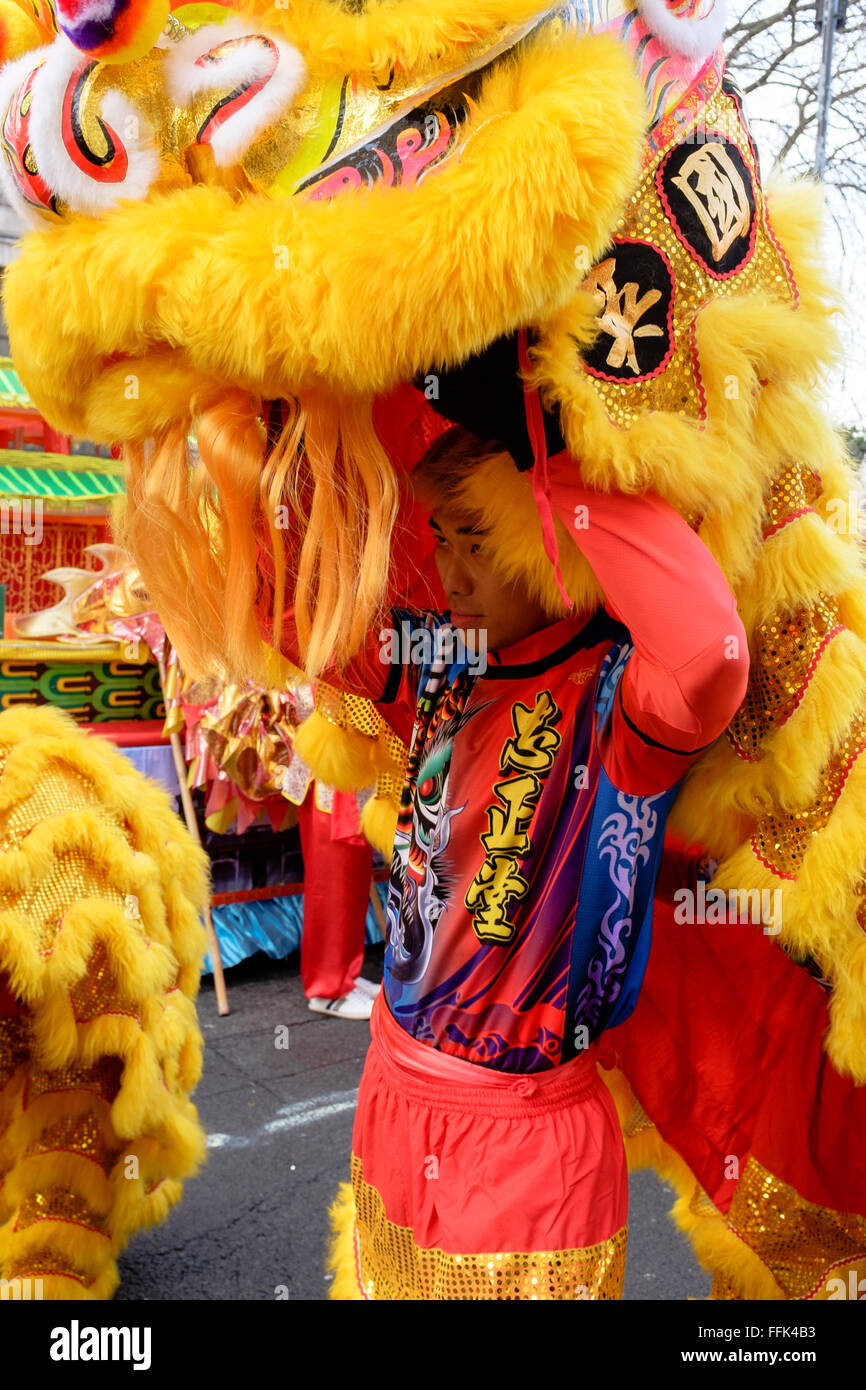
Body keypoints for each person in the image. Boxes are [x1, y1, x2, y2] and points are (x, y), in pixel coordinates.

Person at [259, 424, 749, 1299]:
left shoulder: (616, 696)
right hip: (393, 1089)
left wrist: (554, 457)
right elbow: (306, 621)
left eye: (479, 543)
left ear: (543, 536)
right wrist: (258, 445)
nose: (452, 576)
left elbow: (712, 653)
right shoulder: (441, 659)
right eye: (444, 539)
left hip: (526, 1147)